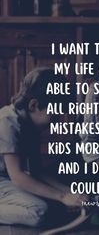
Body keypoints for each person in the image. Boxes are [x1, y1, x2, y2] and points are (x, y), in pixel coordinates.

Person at [0, 67, 87, 227]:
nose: (56, 121)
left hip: (6, 181)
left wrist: (70, 192)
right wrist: (62, 197)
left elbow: (36, 171)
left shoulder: (29, 124)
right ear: (34, 105)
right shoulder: (7, 122)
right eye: (54, 115)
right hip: (6, 180)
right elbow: (18, 176)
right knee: (38, 210)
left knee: (53, 204)